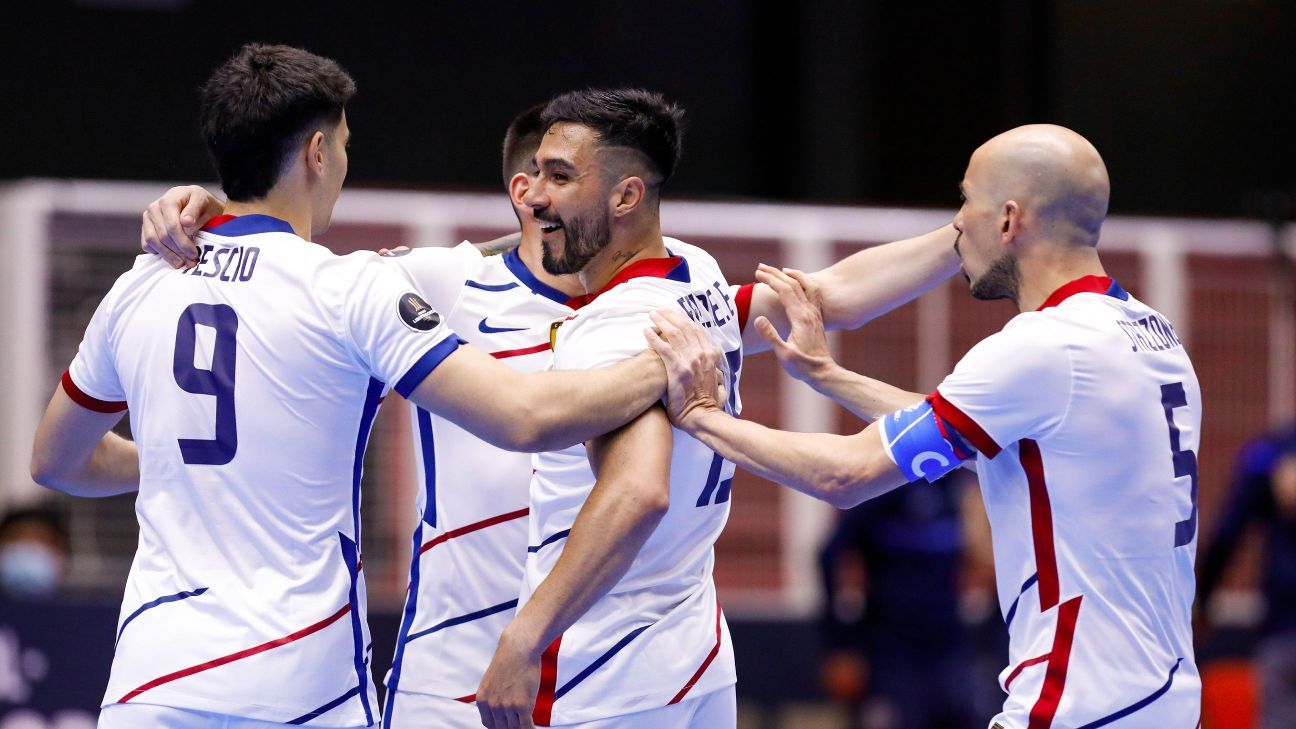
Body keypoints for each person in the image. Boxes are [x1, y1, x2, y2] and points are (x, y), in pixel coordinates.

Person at [139, 104, 962, 728]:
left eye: (567, 174)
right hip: (455, 665)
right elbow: (286, 281)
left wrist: (965, 239)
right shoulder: (440, 281)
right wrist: (211, 214)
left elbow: (826, 297)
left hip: (586, 654)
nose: (548, 188)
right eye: (542, 174)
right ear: (521, 191)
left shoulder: (671, 293)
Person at [29, 45, 676, 729]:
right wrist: (660, 367)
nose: (343, 160)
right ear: (317, 153)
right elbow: (524, 418)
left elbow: (56, 462)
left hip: (150, 682)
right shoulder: (345, 289)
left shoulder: (140, 284)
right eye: (342, 143)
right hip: (299, 688)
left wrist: (182, 458)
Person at [647, 124, 1202, 728]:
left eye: (966, 201)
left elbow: (846, 475)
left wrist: (699, 414)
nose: (958, 224)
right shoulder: (1150, 331)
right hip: (1165, 700)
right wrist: (828, 375)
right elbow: (976, 434)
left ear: (1009, 219)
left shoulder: (1045, 346)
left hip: (1076, 706)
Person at [1197, 422, 1296, 728]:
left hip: (1285, 625)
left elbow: (1227, 534)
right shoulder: (1269, 454)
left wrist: (1203, 601)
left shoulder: (1270, 453)